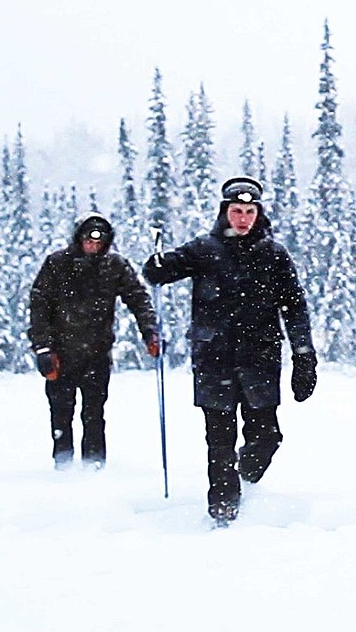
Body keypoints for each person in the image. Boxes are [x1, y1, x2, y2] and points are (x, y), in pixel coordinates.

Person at [143, 176, 317, 525]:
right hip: (214, 361)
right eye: (236, 211)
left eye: (249, 211)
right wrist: (157, 267)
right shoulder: (205, 249)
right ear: (225, 212)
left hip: (260, 360)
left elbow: (295, 307)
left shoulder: (273, 254)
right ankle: (223, 509)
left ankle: (244, 485)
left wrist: (304, 355)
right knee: (219, 441)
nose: (242, 218)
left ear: (258, 213)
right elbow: (160, 271)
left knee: (267, 437)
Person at [28, 212, 159, 470]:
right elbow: (39, 307)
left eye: (99, 241)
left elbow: (138, 298)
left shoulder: (115, 266)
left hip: (96, 354)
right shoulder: (57, 264)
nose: (93, 245)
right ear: (79, 239)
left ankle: (94, 467)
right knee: (61, 414)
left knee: (94, 414)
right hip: (60, 354)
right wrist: (43, 347)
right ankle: (63, 466)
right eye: (89, 239)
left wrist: (150, 330)